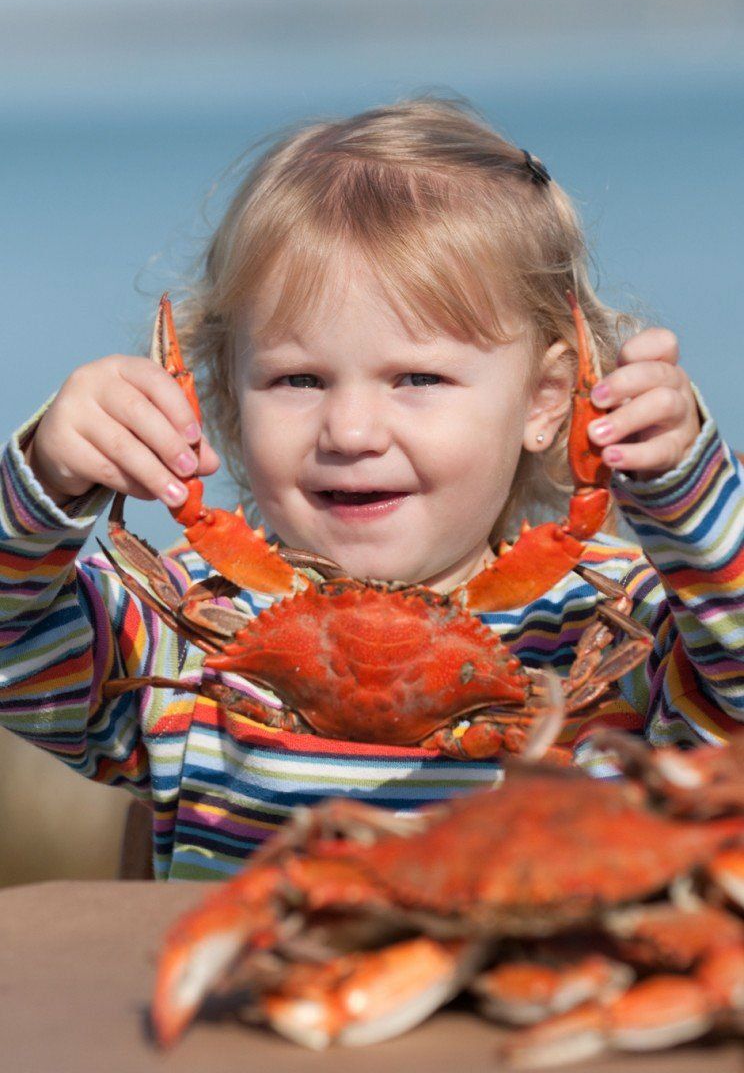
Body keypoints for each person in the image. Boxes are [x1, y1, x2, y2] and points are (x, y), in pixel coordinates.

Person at [1, 98, 742, 882]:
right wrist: (46, 477)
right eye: (297, 379)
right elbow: (15, 649)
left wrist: (685, 498)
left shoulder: (610, 633)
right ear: (223, 390)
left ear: (547, 399)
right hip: (252, 1000)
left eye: (417, 377)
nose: (351, 431)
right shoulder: (191, 631)